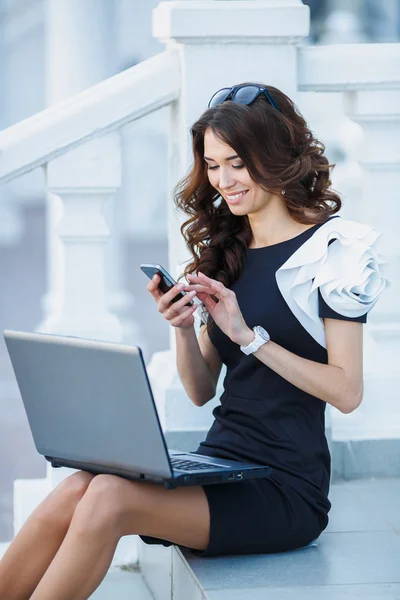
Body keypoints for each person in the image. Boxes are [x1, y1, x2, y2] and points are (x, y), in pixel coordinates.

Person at [0, 83, 387, 599]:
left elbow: (347, 391)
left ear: (274, 157)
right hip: (222, 462)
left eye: (237, 163)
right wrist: (183, 328)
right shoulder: (230, 251)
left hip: (286, 487)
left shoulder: (334, 255)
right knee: (79, 485)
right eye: (211, 165)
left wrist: (248, 337)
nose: (223, 180)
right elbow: (201, 390)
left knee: (109, 497)